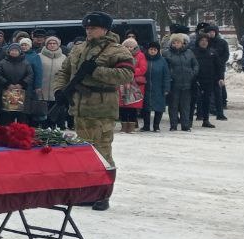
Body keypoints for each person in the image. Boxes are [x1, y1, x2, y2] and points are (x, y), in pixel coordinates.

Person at [52, 11, 135, 210]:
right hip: (79, 108)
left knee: (102, 152)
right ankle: (88, 192)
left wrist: (96, 71)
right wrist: (59, 91)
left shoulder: (117, 50)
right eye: (87, 28)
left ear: (105, 29)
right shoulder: (78, 49)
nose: (89, 31)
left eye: (93, 28)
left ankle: (103, 195)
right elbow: (64, 71)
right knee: (83, 152)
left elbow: (126, 75)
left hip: (101, 108)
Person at [163, 33, 199, 132]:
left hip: (187, 83)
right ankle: (173, 125)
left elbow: (195, 65)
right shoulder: (167, 53)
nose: (176, 44)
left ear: (182, 43)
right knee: (173, 106)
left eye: (178, 42)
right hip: (173, 83)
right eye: (174, 42)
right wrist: (170, 74)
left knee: (185, 105)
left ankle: (185, 125)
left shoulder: (189, 52)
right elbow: (165, 67)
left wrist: (192, 73)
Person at [0, 42, 33, 125]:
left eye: (16, 50)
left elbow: (30, 74)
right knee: (7, 115)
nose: (14, 52)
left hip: (21, 92)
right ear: (9, 51)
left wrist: (21, 84)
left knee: (21, 116)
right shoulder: (3, 62)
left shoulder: (26, 63)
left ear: (19, 52)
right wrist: (7, 84)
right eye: (12, 50)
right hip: (7, 91)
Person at [191, 32, 223, 129]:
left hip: (209, 80)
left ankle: (206, 120)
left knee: (207, 100)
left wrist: (220, 78)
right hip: (195, 80)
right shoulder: (192, 52)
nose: (204, 42)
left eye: (206, 41)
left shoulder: (212, 52)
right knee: (193, 101)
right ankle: (188, 121)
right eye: (202, 40)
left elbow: (219, 66)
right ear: (198, 42)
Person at [117, 37, 146, 133]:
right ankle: (124, 126)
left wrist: (130, 72)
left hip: (134, 85)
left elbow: (143, 68)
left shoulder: (140, 55)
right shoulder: (119, 55)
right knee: (123, 107)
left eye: (131, 46)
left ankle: (132, 126)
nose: (129, 48)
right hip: (122, 83)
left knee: (133, 107)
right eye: (127, 46)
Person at [140, 42, 170, 132]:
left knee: (159, 107)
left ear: (158, 51)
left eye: (155, 50)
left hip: (159, 87)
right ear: (148, 50)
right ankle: (146, 126)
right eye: (151, 49)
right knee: (146, 108)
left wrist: (166, 88)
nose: (152, 51)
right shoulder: (143, 59)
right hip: (146, 87)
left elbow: (166, 75)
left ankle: (156, 126)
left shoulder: (162, 61)